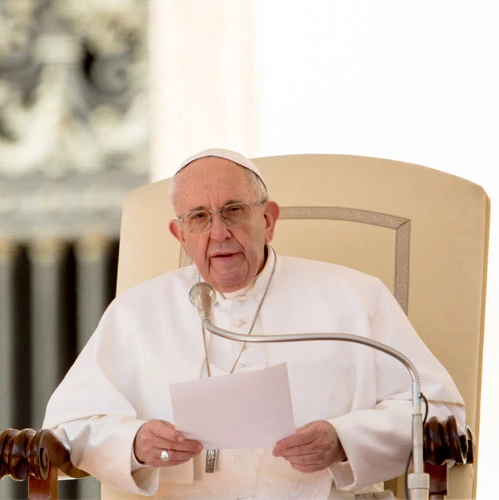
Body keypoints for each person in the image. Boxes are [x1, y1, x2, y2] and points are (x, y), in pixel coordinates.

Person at [42, 148, 465, 498]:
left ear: (267, 220)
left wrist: (343, 439)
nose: (219, 232)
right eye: (200, 218)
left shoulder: (354, 297)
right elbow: (66, 430)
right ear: (180, 235)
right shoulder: (135, 312)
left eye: (234, 211)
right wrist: (133, 443)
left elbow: (439, 415)